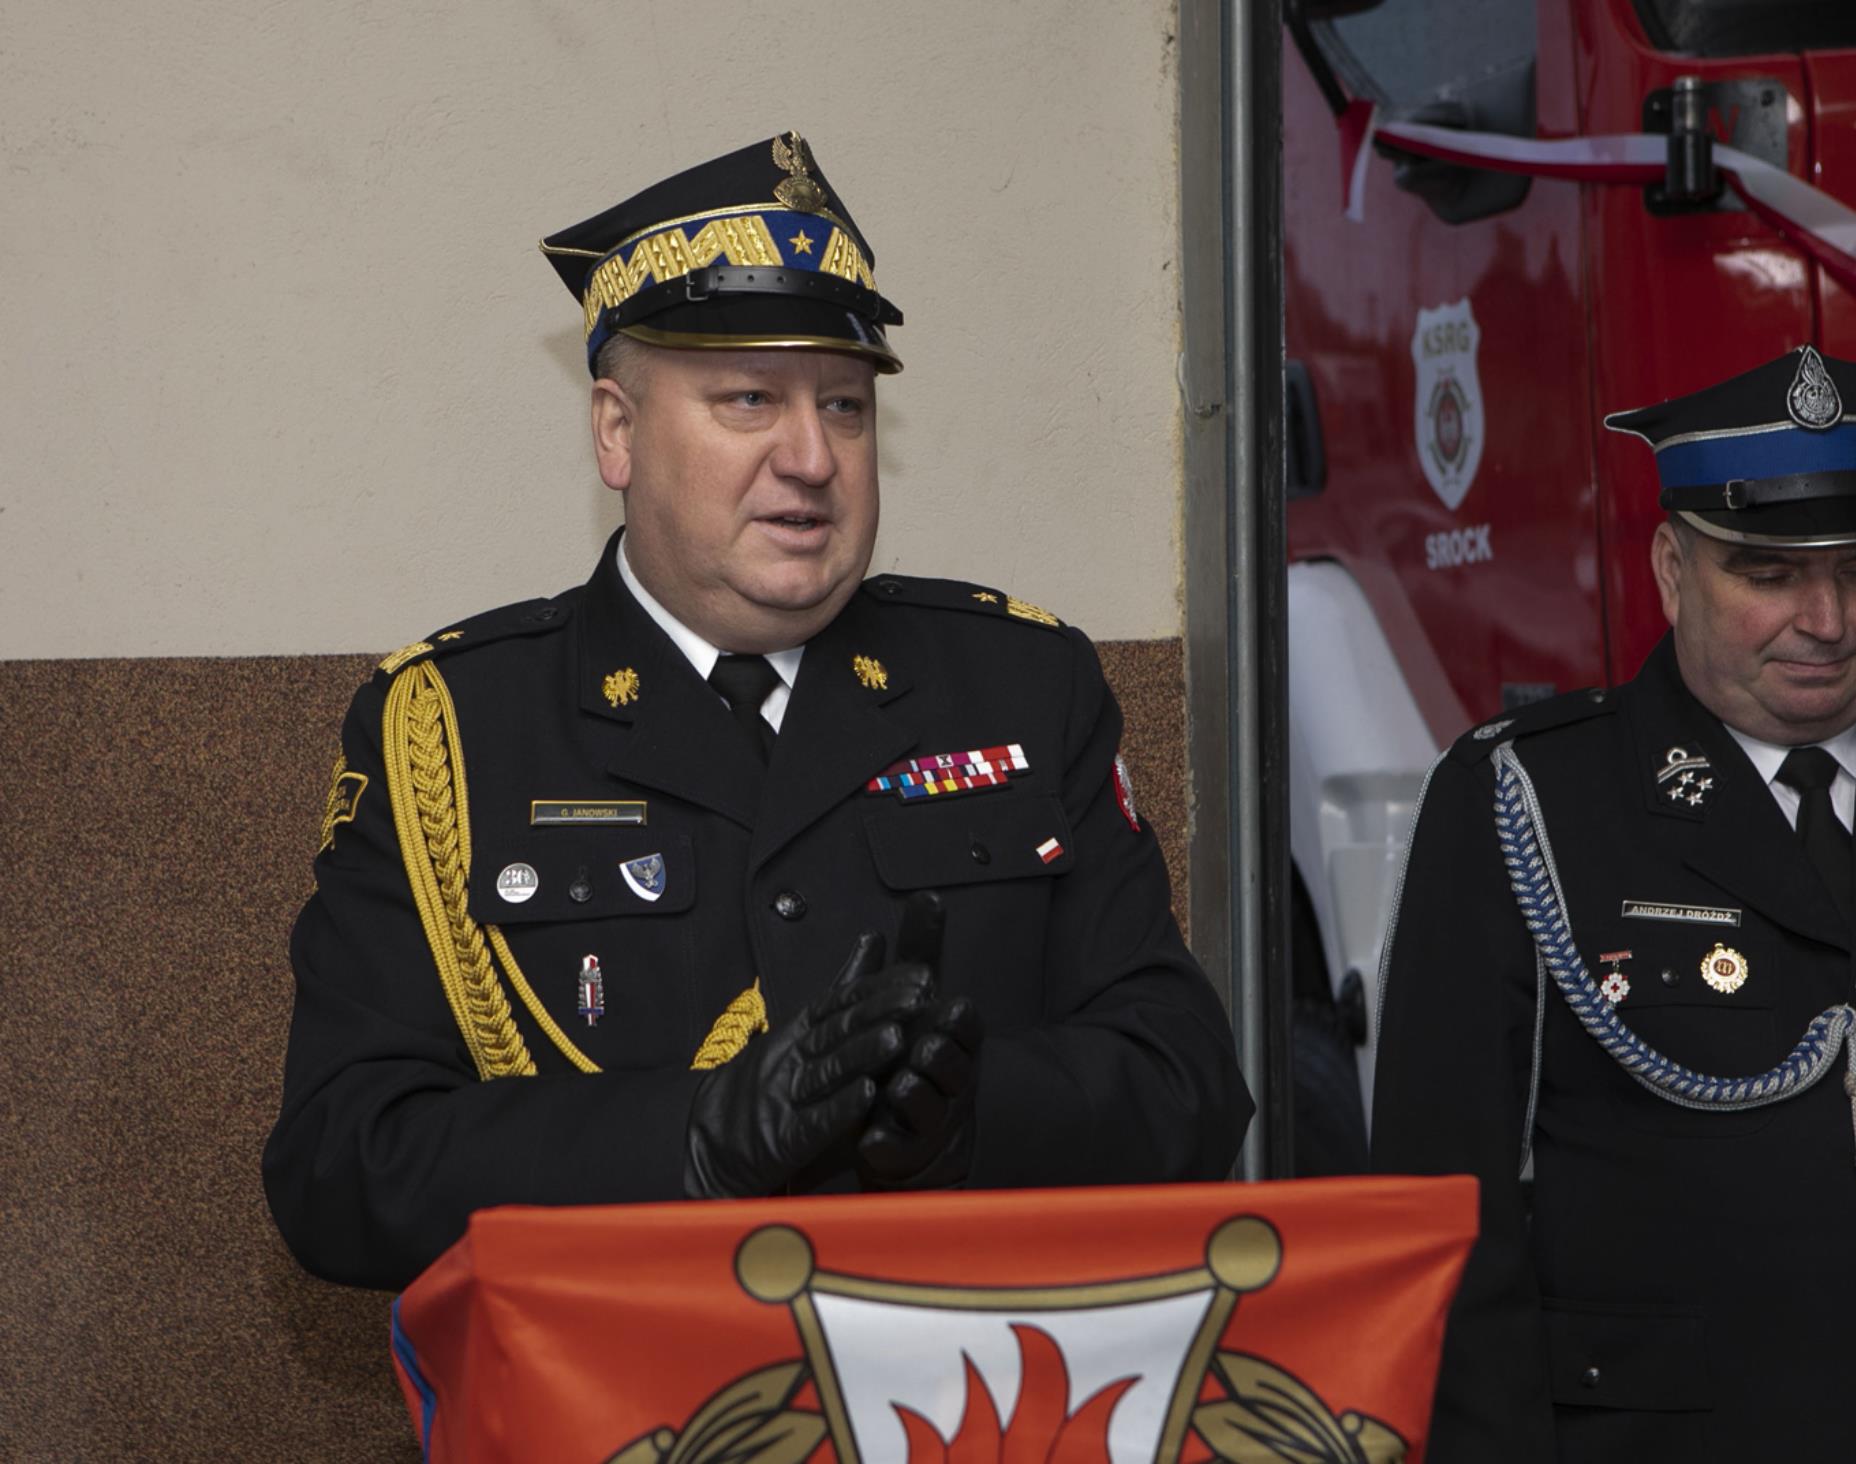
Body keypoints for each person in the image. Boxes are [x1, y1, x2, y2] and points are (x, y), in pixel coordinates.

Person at [263, 133, 1252, 1290]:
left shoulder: (1020, 686)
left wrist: (969, 1121)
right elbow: (341, 1163)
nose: (812, 458)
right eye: (748, 400)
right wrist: (692, 1139)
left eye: (844, 405)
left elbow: (1185, 1083)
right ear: (616, 432)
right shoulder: (456, 726)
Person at [1371, 347, 1856, 1460]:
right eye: (1767, 575)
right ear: (1672, 570)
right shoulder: (1528, 799)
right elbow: (1440, 1211)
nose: (1826, 620)